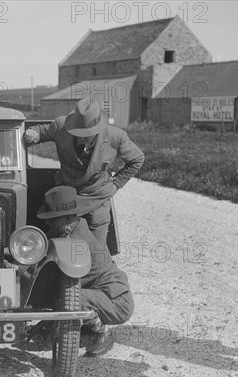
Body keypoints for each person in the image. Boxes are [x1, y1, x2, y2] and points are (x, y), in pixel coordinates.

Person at [24, 96, 145, 247]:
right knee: (59, 246)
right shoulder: (60, 126)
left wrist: (115, 185)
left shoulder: (115, 136)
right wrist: (33, 133)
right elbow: (40, 131)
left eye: (87, 134)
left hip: (97, 196)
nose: (81, 138)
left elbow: (137, 159)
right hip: (66, 199)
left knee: (96, 249)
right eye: (77, 132)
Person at [37, 185, 135, 357]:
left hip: (117, 301)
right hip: (103, 294)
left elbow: (55, 278)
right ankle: (83, 330)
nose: (48, 222)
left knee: (71, 298)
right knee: (67, 297)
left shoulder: (76, 239)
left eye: (53, 218)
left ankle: (101, 335)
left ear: (69, 217)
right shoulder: (72, 229)